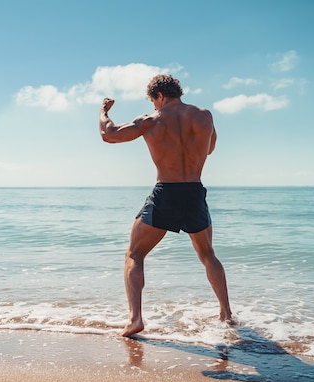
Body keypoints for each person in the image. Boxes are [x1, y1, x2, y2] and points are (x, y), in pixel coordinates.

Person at [99, 74, 234, 337]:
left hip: (166, 192)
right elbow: (210, 148)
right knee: (208, 255)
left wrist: (104, 111)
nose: (153, 107)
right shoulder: (205, 116)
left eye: (153, 101)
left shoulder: (151, 121)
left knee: (135, 255)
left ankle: (135, 319)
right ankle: (226, 314)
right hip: (195, 192)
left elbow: (109, 134)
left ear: (159, 96)